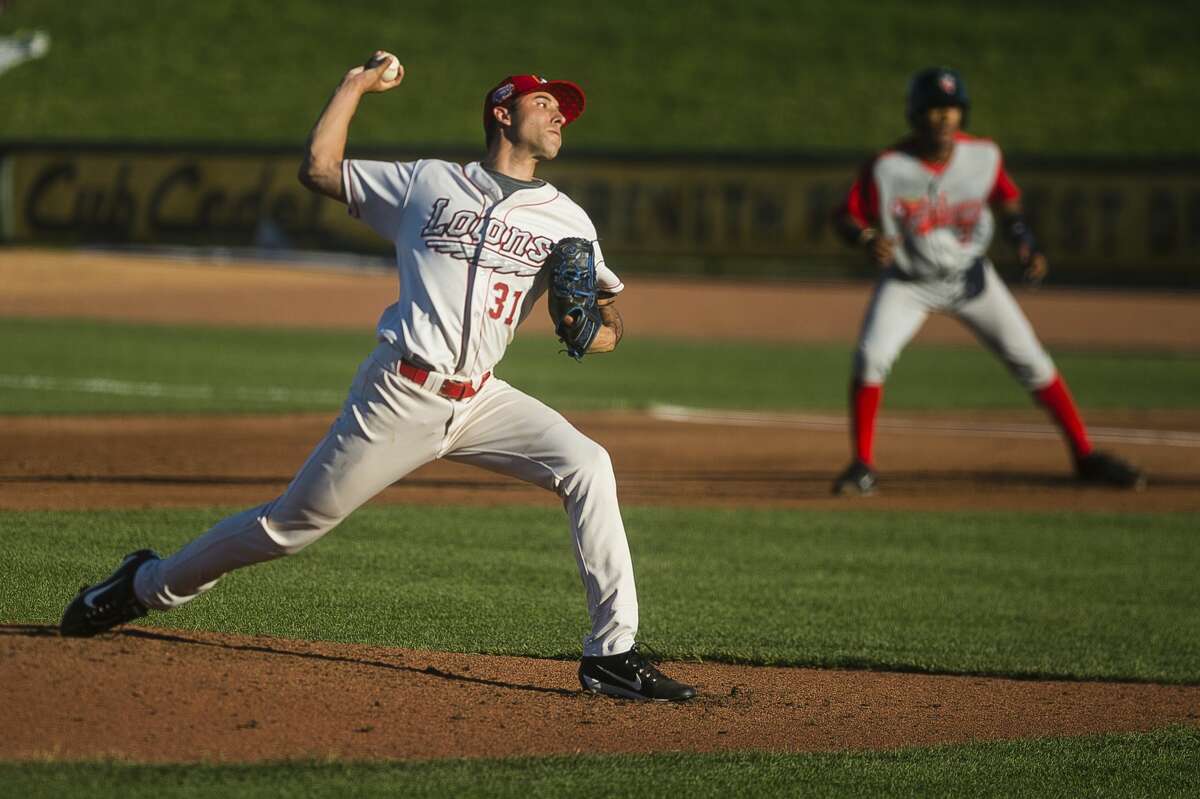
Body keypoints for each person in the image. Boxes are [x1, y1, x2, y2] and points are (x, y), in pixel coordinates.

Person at [60, 53, 697, 702]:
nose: (561, 113)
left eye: (564, 108)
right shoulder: (427, 184)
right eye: (545, 103)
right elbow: (318, 170)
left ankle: (611, 655)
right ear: (503, 113)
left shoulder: (569, 220)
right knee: (287, 528)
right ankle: (146, 584)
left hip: (481, 398)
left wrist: (593, 328)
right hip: (400, 394)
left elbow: (609, 314)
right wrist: (354, 85)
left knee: (587, 464)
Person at [830, 66, 1145, 496]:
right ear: (915, 116)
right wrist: (865, 238)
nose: (944, 118)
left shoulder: (982, 157)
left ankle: (1085, 454)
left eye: (952, 109)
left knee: (1033, 362)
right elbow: (844, 215)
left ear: (963, 116)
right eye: (935, 109)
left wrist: (1024, 241)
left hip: (971, 278)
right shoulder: (888, 168)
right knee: (870, 358)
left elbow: (1006, 196)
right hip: (908, 281)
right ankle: (862, 464)